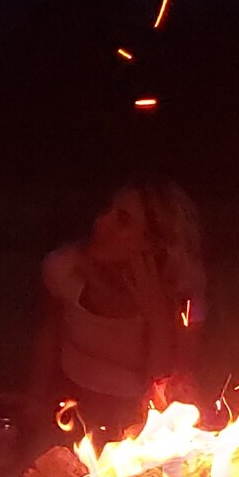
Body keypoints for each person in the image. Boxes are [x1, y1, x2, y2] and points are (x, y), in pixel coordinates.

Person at [28, 179, 205, 440]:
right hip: (69, 407)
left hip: (138, 421)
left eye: (122, 220)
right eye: (108, 210)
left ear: (154, 243)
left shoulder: (184, 298)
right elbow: (49, 334)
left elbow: (169, 399)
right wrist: (34, 400)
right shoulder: (65, 269)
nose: (101, 222)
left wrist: (158, 319)